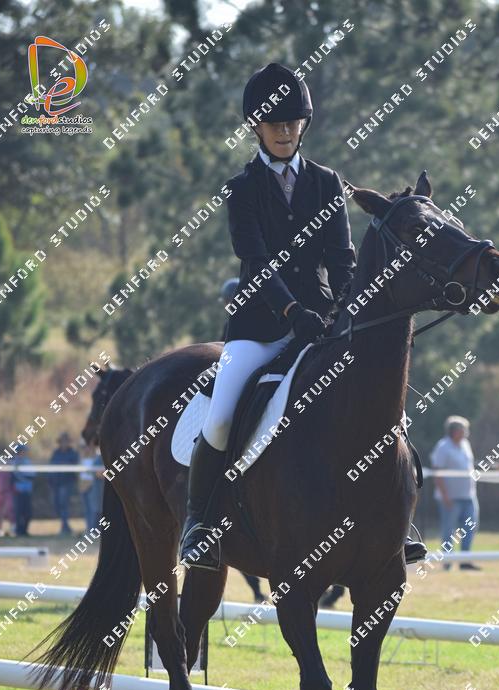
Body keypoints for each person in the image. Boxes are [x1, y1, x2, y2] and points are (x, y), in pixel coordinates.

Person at [180, 62, 426, 570]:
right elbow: (255, 261)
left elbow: (342, 258)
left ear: (304, 124)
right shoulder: (243, 187)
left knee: (380, 401)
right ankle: (199, 523)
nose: (285, 131)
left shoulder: (326, 182)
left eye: (293, 123)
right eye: (276, 124)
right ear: (257, 127)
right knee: (222, 415)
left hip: (322, 322)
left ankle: (394, 521)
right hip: (259, 326)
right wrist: (292, 310)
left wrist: (346, 306)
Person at [430, 416, 480, 570]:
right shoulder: (443, 447)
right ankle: (447, 562)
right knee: (449, 530)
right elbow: (437, 472)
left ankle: (465, 561)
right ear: (455, 431)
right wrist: (445, 495)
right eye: (464, 429)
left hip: (469, 495)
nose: (466, 432)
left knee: (470, 527)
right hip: (450, 498)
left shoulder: (465, 444)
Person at [49, 432, 79, 535]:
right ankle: (65, 526)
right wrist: (50, 480)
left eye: (66, 441)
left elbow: (74, 467)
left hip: (67, 483)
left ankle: (64, 527)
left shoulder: (73, 453)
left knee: (63, 504)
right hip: (56, 483)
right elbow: (51, 466)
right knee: (57, 505)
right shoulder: (56, 453)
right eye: (62, 441)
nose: (64, 443)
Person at [11, 443, 35, 537]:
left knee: (28, 512)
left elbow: (32, 475)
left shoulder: (27, 462)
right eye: (22, 451)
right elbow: (15, 477)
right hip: (18, 491)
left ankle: (24, 530)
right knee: (18, 512)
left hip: (27, 491)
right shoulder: (14, 462)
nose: (23, 453)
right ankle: (18, 531)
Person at [79, 441, 103, 531]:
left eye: (86, 446)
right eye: (83, 447)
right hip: (83, 488)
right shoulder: (81, 458)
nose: (85, 448)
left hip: (93, 488)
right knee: (88, 511)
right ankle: (90, 529)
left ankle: (94, 530)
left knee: (95, 510)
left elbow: (98, 473)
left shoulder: (96, 458)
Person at [0, 465, 14, 536]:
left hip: (7, 492)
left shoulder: (9, 468)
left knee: (9, 510)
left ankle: (12, 529)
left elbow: (12, 480)